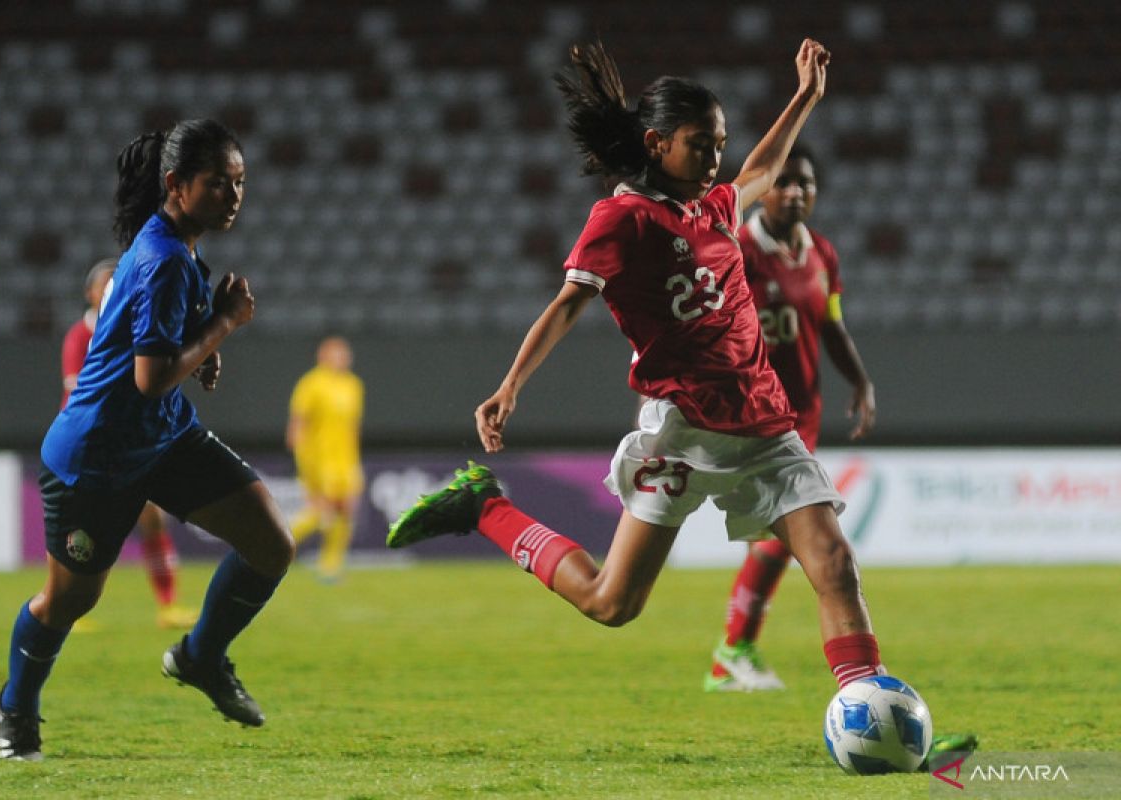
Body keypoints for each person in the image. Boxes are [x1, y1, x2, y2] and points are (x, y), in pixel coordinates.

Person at [387, 37, 967, 769]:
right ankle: (484, 506)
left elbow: (762, 168)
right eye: (702, 144)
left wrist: (806, 98)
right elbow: (569, 304)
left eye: (720, 143)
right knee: (610, 602)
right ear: (657, 142)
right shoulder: (620, 220)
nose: (717, 158)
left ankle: (877, 713)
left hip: (763, 422)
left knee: (834, 565)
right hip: (683, 432)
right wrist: (509, 387)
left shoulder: (717, 204)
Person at [0, 118, 295, 761]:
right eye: (219, 184)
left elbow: (161, 356)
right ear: (176, 186)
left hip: (162, 439)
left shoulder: (176, 248)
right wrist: (225, 325)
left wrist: (204, 334)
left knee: (269, 541)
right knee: (69, 600)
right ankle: (12, 708)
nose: (234, 196)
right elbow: (151, 378)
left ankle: (200, 657)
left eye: (240, 183)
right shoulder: (159, 260)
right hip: (97, 454)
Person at [702, 145, 873, 692]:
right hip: (752, 413)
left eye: (806, 183)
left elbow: (831, 325)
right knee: (782, 536)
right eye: (785, 182)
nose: (796, 192)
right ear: (764, 188)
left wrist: (860, 379)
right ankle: (733, 650)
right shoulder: (737, 250)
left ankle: (733, 653)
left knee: (778, 539)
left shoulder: (822, 253)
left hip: (804, 416)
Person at [61, 257, 199, 631]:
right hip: (90, 444)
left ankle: (168, 605)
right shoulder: (80, 336)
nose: (111, 290)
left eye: (116, 284)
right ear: (90, 294)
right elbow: (78, 395)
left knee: (152, 519)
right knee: (80, 532)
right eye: (104, 285)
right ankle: (65, 608)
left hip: (131, 442)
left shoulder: (135, 329)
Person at [285, 335, 364, 582]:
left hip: (346, 459)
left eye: (344, 353)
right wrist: (303, 461)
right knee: (322, 509)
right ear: (323, 356)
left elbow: (353, 426)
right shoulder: (311, 384)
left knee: (347, 509)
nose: (342, 358)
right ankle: (274, 545)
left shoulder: (353, 385)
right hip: (320, 458)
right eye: (336, 353)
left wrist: (355, 458)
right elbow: (297, 426)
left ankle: (330, 565)